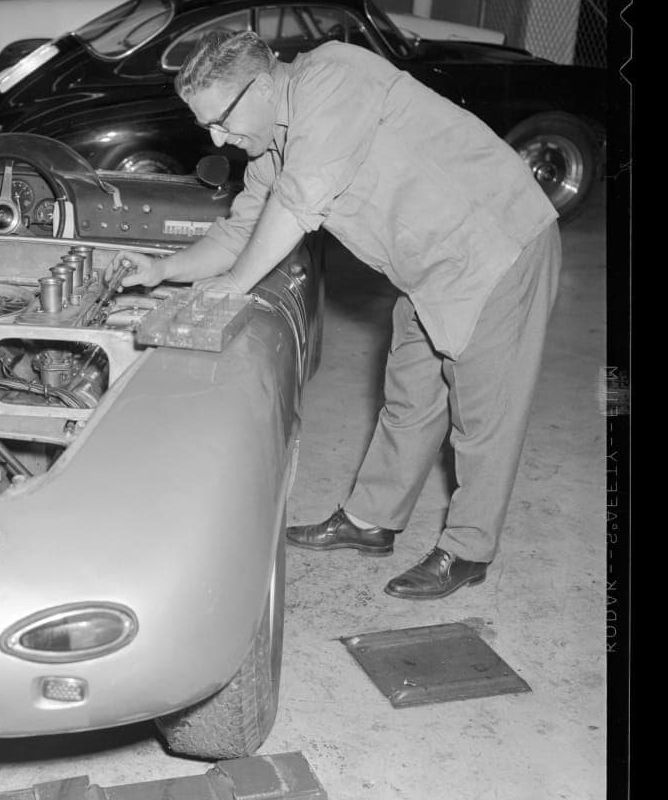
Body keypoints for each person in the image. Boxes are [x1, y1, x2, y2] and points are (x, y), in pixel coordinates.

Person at [107, 30, 561, 600]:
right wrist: (160, 269)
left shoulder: (333, 78)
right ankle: (372, 521)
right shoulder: (273, 140)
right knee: (410, 397)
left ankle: (469, 550)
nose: (218, 138)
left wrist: (233, 286)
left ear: (265, 81)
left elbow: (299, 204)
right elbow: (242, 232)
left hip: (496, 244)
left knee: (483, 415)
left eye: (221, 120)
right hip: (428, 266)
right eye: (207, 129)